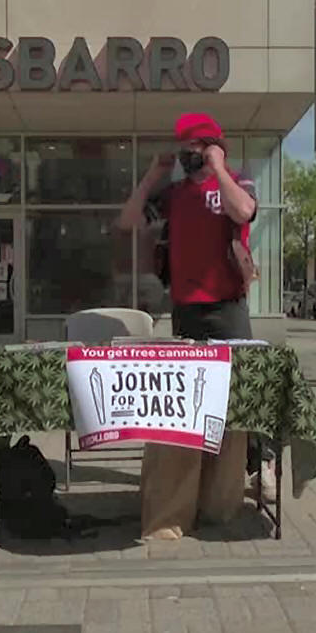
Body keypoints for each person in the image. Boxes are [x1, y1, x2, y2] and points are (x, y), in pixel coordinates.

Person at [119, 112, 274, 540]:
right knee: (193, 400)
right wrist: (151, 177)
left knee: (241, 393)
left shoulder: (236, 183)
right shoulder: (174, 194)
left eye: (196, 149)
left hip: (227, 307)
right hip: (186, 309)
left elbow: (244, 212)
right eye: (184, 150)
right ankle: (199, 483)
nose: (189, 156)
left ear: (212, 148)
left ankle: (259, 465)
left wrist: (219, 168)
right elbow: (129, 221)